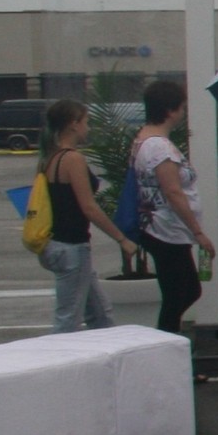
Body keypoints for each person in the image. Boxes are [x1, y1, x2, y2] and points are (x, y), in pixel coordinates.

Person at [39, 99, 137, 332]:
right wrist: (121, 239)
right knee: (68, 320)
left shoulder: (50, 157)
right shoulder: (72, 159)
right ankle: (58, 364)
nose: (88, 127)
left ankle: (106, 358)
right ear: (73, 124)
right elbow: (89, 207)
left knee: (100, 314)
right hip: (72, 246)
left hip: (59, 245)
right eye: (86, 122)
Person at [130, 81, 216, 337]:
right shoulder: (159, 147)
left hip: (158, 228)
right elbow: (173, 191)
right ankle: (165, 343)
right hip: (166, 230)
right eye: (181, 107)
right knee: (183, 292)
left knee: (180, 292)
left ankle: (171, 344)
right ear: (170, 110)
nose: (183, 112)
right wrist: (197, 232)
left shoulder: (142, 140)